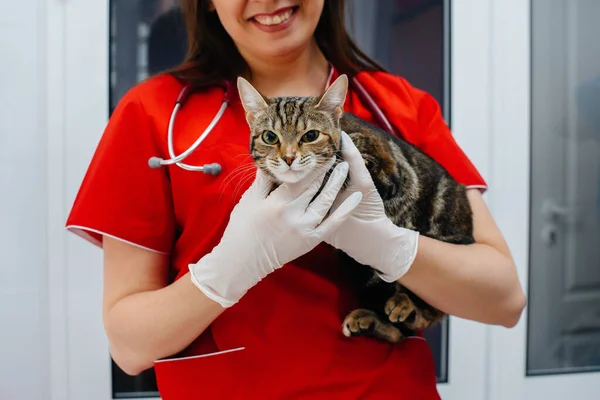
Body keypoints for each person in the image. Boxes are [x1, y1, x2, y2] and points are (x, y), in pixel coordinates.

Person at [65, 0, 526, 398]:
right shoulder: (154, 115)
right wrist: (227, 269)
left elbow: (504, 300)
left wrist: (388, 246)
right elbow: (128, 348)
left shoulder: (399, 106)